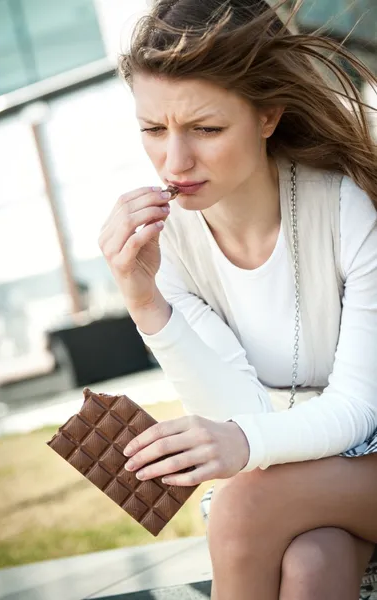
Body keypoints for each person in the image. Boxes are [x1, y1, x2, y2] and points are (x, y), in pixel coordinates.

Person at [98, 1, 377, 598]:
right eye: (153, 130)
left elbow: (357, 409)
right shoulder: (168, 242)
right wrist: (147, 304)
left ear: (268, 116)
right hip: (315, 474)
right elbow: (237, 405)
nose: (175, 161)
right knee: (312, 563)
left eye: (206, 129)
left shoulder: (347, 208)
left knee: (240, 508)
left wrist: (243, 442)